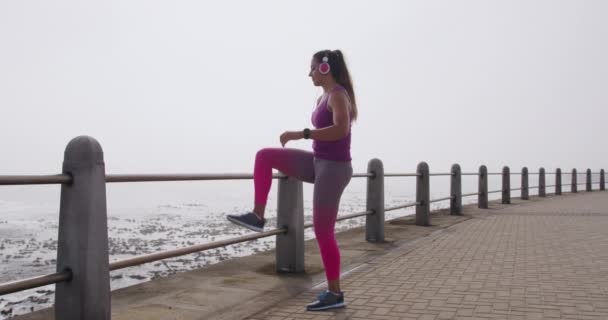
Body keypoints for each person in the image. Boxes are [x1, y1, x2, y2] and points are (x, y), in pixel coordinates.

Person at [227, 49, 357, 311]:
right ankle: (258, 216)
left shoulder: (339, 95)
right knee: (264, 156)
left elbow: (341, 130)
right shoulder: (323, 97)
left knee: (323, 231)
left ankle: (335, 293)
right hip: (318, 162)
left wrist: (302, 133)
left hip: (334, 169)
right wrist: (305, 137)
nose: (309, 73)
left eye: (312, 69)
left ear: (324, 69)